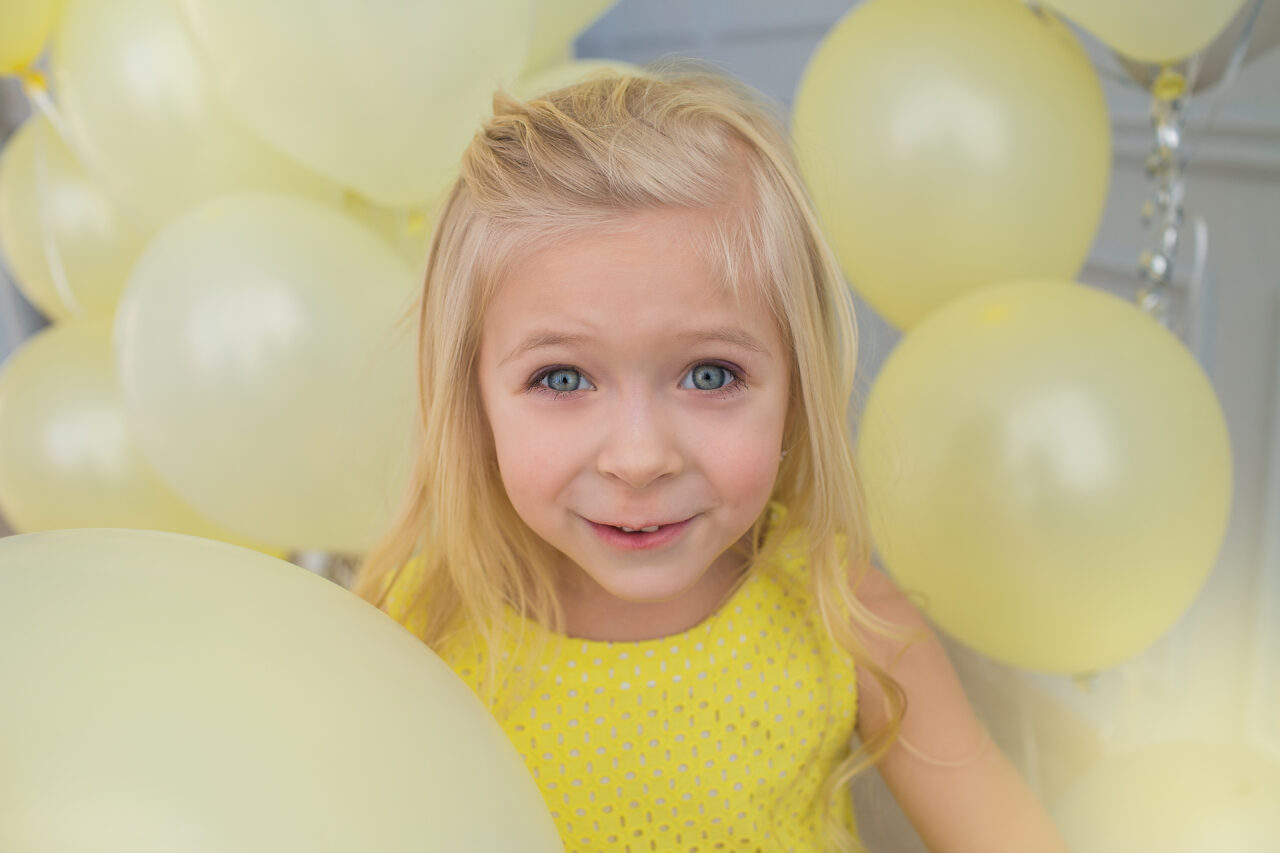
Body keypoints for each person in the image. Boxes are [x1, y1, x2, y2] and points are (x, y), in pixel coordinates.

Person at [353, 65, 1068, 853]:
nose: (639, 457)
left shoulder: (847, 612)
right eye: (561, 377)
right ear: (472, 400)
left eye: (710, 374)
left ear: (795, 387)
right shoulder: (415, 630)